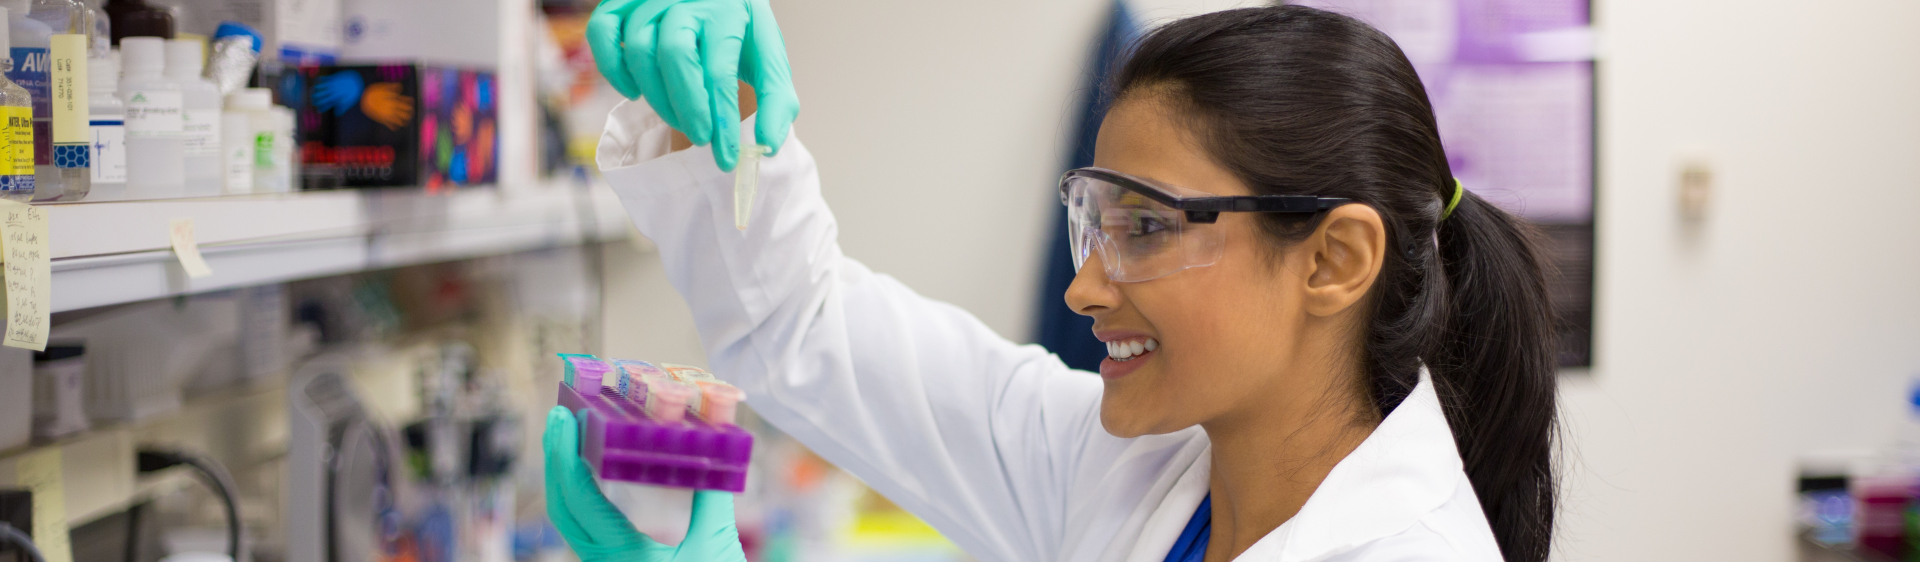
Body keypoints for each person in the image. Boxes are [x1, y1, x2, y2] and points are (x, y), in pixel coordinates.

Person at [545, 3, 1561, 562]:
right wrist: (717, 118)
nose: (1084, 287)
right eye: (1095, 220)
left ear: (1333, 261)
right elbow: (803, 326)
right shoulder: (1129, 469)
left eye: (1149, 227)